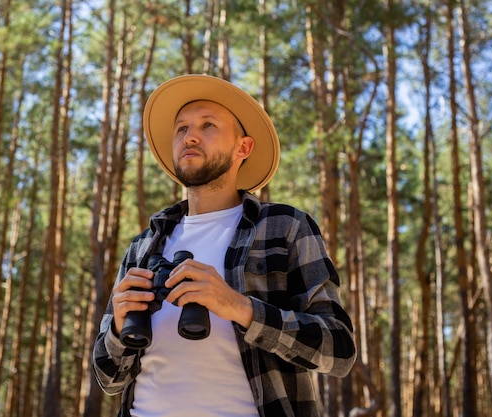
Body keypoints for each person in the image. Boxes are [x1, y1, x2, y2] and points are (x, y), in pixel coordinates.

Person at [92, 74, 356, 417]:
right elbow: (109, 380)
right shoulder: (144, 246)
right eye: (181, 128)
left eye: (208, 125)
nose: (190, 136)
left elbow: (339, 351)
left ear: (243, 148)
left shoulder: (284, 227)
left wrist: (238, 307)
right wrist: (117, 328)